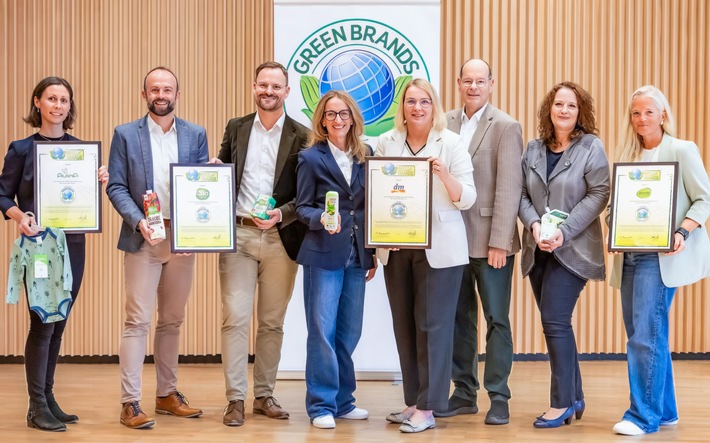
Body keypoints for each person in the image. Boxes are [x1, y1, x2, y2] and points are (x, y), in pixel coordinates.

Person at [0, 77, 108, 432]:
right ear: (38, 103)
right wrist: (20, 216)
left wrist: (100, 180)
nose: (58, 105)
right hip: (40, 250)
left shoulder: (82, 152)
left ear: (69, 106)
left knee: (59, 323)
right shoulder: (21, 149)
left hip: (73, 246)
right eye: (51, 98)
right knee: (42, 324)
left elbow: (83, 200)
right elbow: (2, 195)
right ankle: (36, 407)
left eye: (64, 100)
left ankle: (48, 397)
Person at [106, 67, 208, 429]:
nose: (160, 95)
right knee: (137, 320)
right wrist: (139, 222)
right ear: (144, 94)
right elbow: (116, 186)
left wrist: (192, 232)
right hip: (142, 239)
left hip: (180, 240)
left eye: (167, 89)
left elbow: (201, 188)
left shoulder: (196, 134)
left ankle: (166, 395)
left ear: (177, 95)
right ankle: (129, 402)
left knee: (172, 321)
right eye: (154, 89)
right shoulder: (124, 134)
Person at [377, 78, 476, 433]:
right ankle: (413, 401)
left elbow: (468, 198)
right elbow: (377, 193)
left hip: (440, 250)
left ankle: (429, 407)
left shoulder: (451, 143)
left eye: (424, 101)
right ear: (402, 107)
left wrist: (445, 175)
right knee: (404, 325)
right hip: (397, 247)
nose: (417, 108)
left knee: (433, 327)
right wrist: (379, 240)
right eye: (411, 101)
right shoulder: (386, 142)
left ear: (434, 106)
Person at [610, 86, 710, 436]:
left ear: (663, 115)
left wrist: (682, 232)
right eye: (636, 113)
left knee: (644, 336)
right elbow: (614, 205)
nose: (642, 119)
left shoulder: (681, 149)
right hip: (630, 255)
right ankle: (665, 412)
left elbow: (704, 199)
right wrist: (613, 227)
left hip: (661, 256)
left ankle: (643, 417)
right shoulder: (627, 154)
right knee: (647, 334)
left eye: (649, 112)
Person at [215, 61, 309, 427]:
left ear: (287, 91)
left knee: (271, 322)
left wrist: (281, 214)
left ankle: (264, 395)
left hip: (280, 239)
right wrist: (211, 171)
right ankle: (235, 399)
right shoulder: (236, 127)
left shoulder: (302, 135)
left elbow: (306, 194)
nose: (268, 91)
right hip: (238, 234)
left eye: (276, 86)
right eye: (263, 85)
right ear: (254, 87)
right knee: (235, 318)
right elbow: (223, 171)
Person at [518, 81, 609, 428]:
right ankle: (575, 396)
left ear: (580, 111)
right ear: (549, 109)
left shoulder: (591, 147)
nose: (564, 110)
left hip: (573, 248)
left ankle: (561, 403)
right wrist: (533, 226)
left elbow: (599, 193)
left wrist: (563, 231)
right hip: (537, 249)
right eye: (559, 104)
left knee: (554, 321)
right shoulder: (533, 148)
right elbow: (521, 194)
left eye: (571, 105)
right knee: (557, 324)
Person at [438, 58, 523, 425]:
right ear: (458, 83)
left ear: (491, 83)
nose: (473, 87)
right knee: (460, 318)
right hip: (451, 239)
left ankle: (499, 396)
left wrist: (500, 241)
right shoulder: (444, 123)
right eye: (467, 81)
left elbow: (509, 186)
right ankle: (464, 392)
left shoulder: (506, 126)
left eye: (480, 81)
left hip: (491, 244)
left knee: (496, 319)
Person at [295, 90, 378, 429]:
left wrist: (372, 252)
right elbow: (302, 207)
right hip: (323, 255)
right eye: (331, 114)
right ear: (322, 120)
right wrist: (321, 219)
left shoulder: (366, 155)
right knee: (322, 332)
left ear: (353, 118)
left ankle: (344, 402)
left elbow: (372, 206)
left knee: (348, 332)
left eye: (344, 113)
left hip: (357, 255)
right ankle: (320, 406)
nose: (338, 119)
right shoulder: (310, 158)